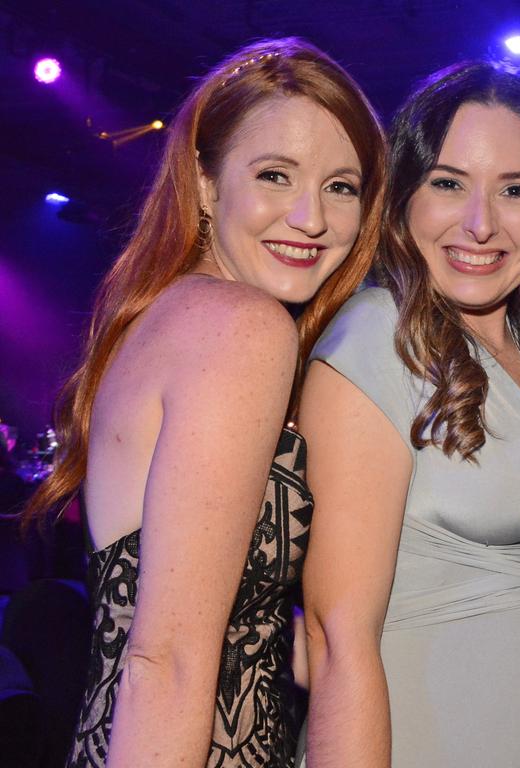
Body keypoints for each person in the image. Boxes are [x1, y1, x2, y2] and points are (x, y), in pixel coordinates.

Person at [21, 38, 386, 767]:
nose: (311, 218)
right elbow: (170, 661)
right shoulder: (241, 327)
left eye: (342, 186)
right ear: (207, 182)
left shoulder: (164, 317)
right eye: (276, 175)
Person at [298, 62, 520, 767]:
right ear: (403, 194)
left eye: (516, 190)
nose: (481, 223)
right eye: (448, 183)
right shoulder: (376, 340)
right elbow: (333, 640)